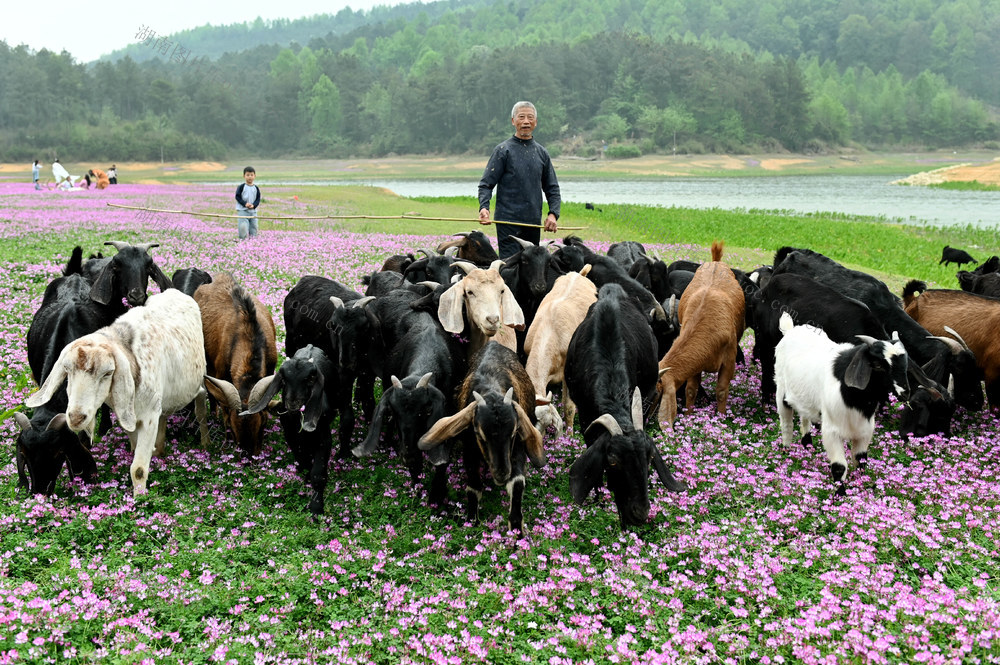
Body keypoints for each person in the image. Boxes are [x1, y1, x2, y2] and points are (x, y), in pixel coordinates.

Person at [478, 101, 560, 259]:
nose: (526, 121)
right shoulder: (503, 150)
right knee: (510, 266)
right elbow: (486, 185)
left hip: (532, 222)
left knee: (531, 267)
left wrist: (553, 214)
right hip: (507, 222)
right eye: (521, 117)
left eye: (530, 117)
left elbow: (552, 188)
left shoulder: (542, 153)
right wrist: (484, 207)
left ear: (535, 122)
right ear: (513, 121)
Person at [235, 165, 260, 240]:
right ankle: (242, 241)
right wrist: (245, 204)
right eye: (248, 175)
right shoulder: (242, 187)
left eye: (251, 175)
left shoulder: (256, 188)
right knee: (243, 227)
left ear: (255, 176)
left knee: (254, 227)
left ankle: (253, 242)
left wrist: (254, 205)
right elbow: (237, 197)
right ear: (244, 176)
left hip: (253, 211)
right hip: (243, 211)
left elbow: (258, 199)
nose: (250, 177)